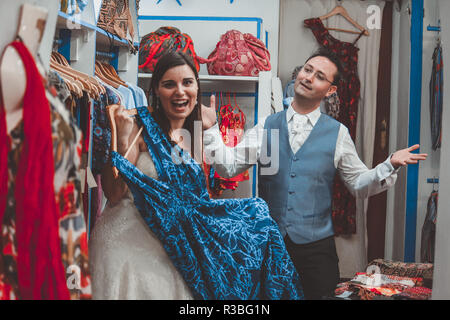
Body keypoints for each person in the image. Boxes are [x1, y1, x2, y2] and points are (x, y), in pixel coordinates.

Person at [202, 47, 428, 300]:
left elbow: (358, 185)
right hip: (269, 244)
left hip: (317, 250)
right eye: (307, 70)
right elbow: (228, 167)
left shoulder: (337, 133)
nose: (309, 77)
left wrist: (390, 164)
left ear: (330, 90)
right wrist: (211, 129)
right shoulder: (267, 125)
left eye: (320, 76)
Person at [89, 51, 303, 300]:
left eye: (187, 83)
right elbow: (114, 194)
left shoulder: (195, 131)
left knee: (261, 222)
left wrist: (211, 126)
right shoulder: (138, 126)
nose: (180, 91)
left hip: (173, 249)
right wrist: (121, 137)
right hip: (129, 251)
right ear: (156, 90)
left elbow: (200, 195)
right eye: (169, 84)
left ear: (196, 88)